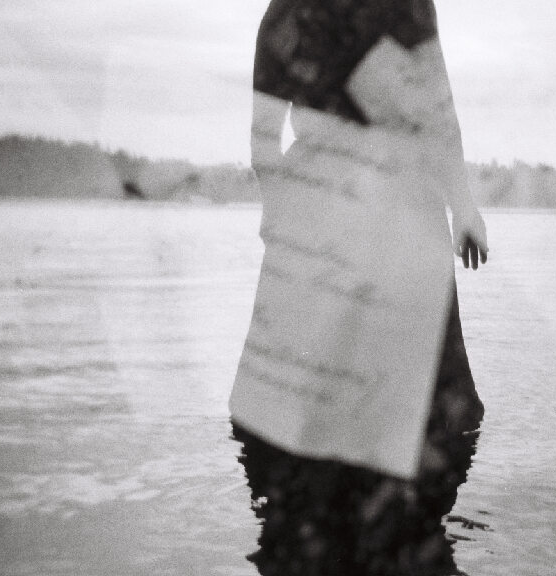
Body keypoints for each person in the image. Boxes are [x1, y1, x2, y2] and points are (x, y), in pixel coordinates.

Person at [229, 1, 488, 573]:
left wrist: (462, 202)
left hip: (362, 212)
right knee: (412, 420)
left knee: (416, 413)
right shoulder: (291, 15)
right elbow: (263, 137)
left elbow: (263, 143)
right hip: (355, 212)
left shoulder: (309, 12)